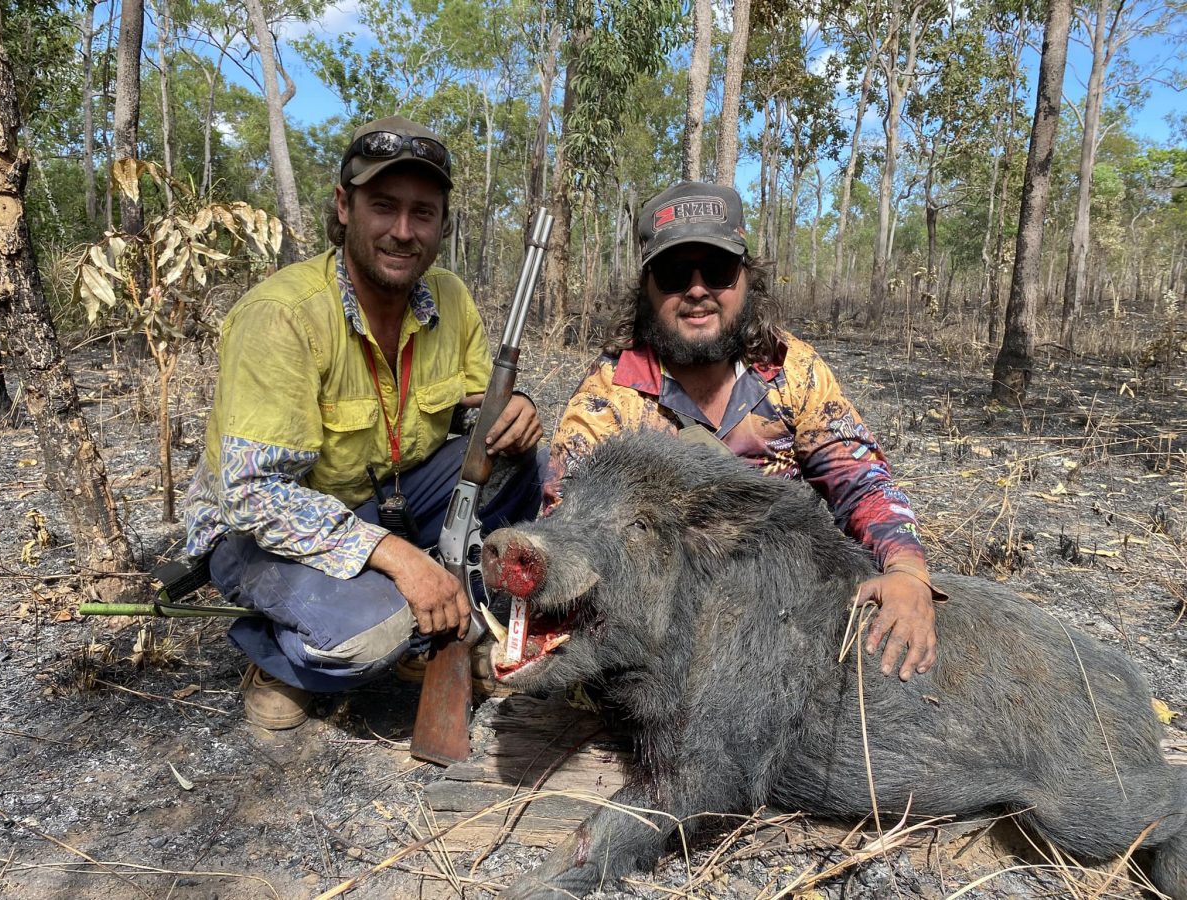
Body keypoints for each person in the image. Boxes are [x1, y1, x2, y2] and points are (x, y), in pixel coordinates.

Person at [182, 116, 545, 729]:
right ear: (344, 207)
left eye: (422, 213)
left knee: (520, 462)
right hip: (259, 532)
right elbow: (252, 498)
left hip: (385, 500)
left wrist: (518, 413)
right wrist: (401, 559)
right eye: (383, 207)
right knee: (374, 635)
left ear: (442, 224)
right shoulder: (282, 317)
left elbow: (482, 407)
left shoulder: (449, 299)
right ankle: (276, 654)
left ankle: (459, 612)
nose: (403, 232)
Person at [546, 181, 943, 681]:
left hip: (790, 600)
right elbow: (569, 519)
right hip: (668, 619)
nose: (696, 290)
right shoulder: (611, 392)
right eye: (673, 274)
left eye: (716, 271)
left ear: (746, 280)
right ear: (646, 289)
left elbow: (862, 480)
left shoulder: (790, 368)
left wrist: (907, 572)